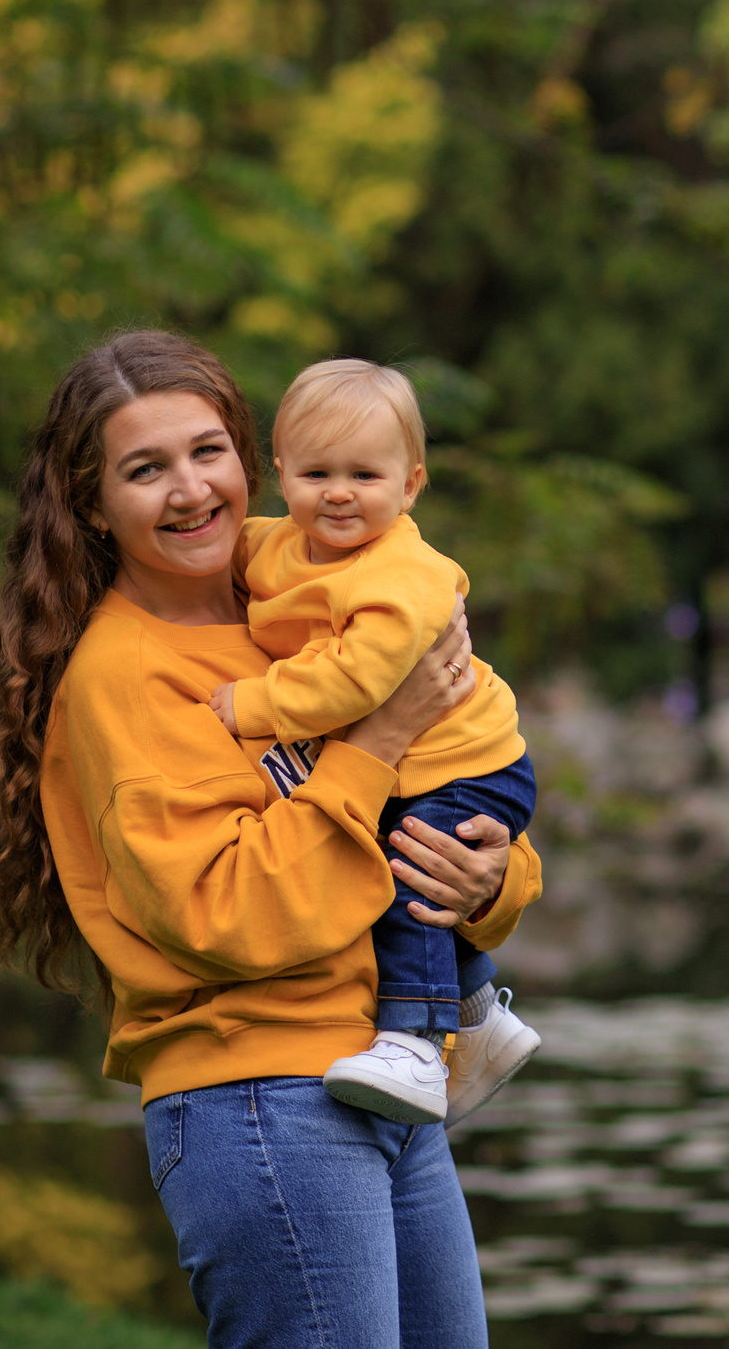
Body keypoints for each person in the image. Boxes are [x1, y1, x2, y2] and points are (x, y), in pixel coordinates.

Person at [0, 329, 542, 1349]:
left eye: (205, 451)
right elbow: (226, 913)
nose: (189, 490)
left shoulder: (300, 598)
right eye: (145, 470)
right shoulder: (126, 678)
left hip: (387, 1070)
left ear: (248, 459)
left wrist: (490, 878)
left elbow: (444, 781)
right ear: (94, 506)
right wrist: (377, 741)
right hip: (264, 1102)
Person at [208, 359, 542, 1126]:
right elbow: (230, 550)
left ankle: (417, 1041)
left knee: (402, 868)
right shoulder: (282, 545)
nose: (339, 492)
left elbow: (352, 684)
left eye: (365, 473)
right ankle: (477, 1014)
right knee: (401, 854)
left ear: (410, 484)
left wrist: (251, 704)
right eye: (317, 471)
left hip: (472, 761)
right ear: (282, 473)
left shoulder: (402, 578)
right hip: (424, 762)